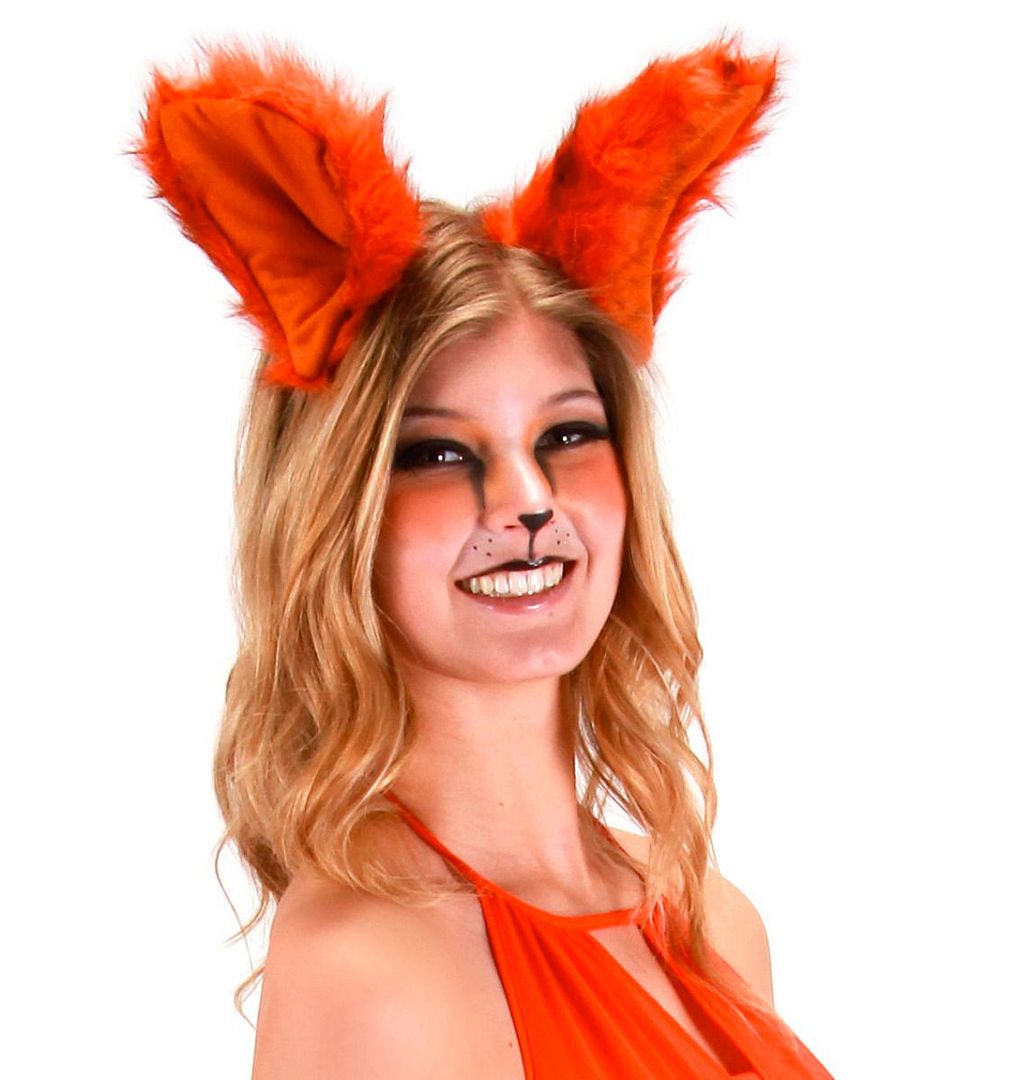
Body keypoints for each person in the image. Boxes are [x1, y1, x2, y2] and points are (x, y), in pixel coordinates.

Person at [133, 35, 833, 1078]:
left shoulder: (713, 921)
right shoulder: (367, 968)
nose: (527, 500)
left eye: (567, 435)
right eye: (437, 453)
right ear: (338, 510)